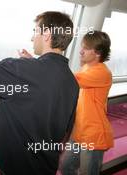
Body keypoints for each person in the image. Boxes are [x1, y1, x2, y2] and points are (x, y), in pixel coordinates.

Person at [0, 11, 79, 175]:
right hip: (46, 167)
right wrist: (33, 64)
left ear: (47, 34)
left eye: (35, 31)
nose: (32, 38)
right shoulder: (72, 82)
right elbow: (65, 131)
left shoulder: (22, 70)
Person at [60, 31, 113, 175]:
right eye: (82, 46)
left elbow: (68, 79)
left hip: (93, 135)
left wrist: (41, 63)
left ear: (97, 52)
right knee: (65, 167)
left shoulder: (102, 72)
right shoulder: (86, 67)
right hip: (79, 132)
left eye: (86, 48)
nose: (81, 51)